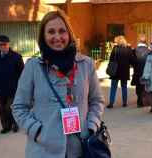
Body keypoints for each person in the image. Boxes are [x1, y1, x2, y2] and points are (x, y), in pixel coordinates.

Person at [11, 11, 104, 158]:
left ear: (69, 34)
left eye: (62, 31)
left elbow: (96, 101)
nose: (57, 37)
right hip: (43, 150)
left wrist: (91, 126)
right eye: (51, 32)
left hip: (80, 147)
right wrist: (37, 131)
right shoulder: (33, 67)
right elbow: (19, 107)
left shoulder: (86, 64)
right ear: (43, 36)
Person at [0, 35, 24, 134]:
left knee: (9, 107)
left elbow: (22, 73)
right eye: (0, 44)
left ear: (8, 44)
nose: (2, 46)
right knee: (2, 109)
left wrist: (20, 86)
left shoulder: (16, 57)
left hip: (13, 88)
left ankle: (15, 123)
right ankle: (6, 126)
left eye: (4, 44)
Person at [107, 35, 133, 108]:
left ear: (117, 42)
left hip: (115, 71)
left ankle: (111, 103)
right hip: (124, 71)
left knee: (113, 87)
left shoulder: (115, 49)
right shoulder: (128, 49)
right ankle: (124, 103)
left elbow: (111, 59)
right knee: (124, 87)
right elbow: (131, 60)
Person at [131, 34, 150, 108]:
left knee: (138, 86)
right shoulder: (148, 50)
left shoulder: (135, 50)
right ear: (145, 42)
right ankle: (144, 100)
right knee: (145, 86)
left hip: (137, 71)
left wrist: (134, 66)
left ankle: (139, 101)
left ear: (139, 41)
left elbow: (132, 61)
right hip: (146, 71)